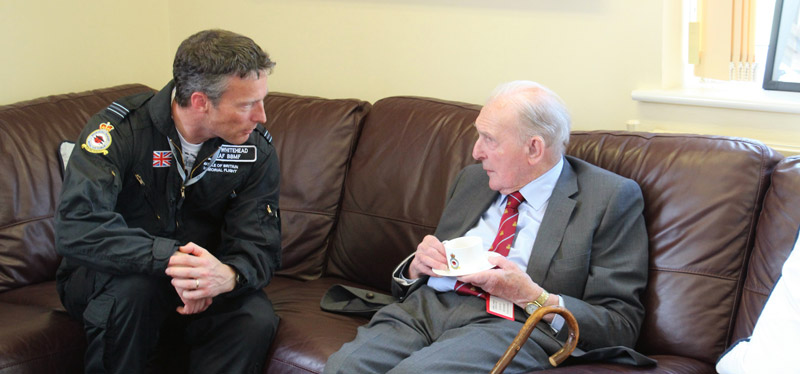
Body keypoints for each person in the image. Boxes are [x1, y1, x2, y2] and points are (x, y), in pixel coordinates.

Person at [323, 81, 651, 373]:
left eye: (488, 140)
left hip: (510, 324)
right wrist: (416, 267)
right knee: (344, 367)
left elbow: (620, 324)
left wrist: (532, 297)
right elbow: (421, 275)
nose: (476, 152)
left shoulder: (609, 198)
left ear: (534, 148)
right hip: (426, 308)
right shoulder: (474, 180)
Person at [55, 29, 280, 373]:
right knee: (135, 293)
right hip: (114, 274)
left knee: (255, 317)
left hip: (201, 278)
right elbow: (77, 225)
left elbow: (260, 244)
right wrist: (172, 260)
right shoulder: (120, 132)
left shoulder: (255, 150)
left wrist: (227, 275)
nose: (262, 116)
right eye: (248, 104)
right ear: (202, 101)